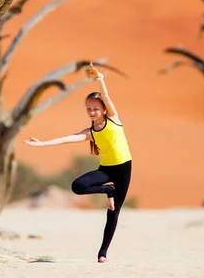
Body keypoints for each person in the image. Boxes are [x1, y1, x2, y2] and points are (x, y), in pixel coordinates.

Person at [23, 62, 132, 263]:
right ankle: (109, 190)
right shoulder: (90, 133)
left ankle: (103, 253)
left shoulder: (114, 119)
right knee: (77, 186)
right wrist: (42, 144)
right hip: (106, 171)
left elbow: (106, 96)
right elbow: (66, 138)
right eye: (89, 109)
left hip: (124, 169)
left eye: (96, 109)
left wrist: (100, 80)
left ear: (104, 110)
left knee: (113, 213)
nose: (92, 112)